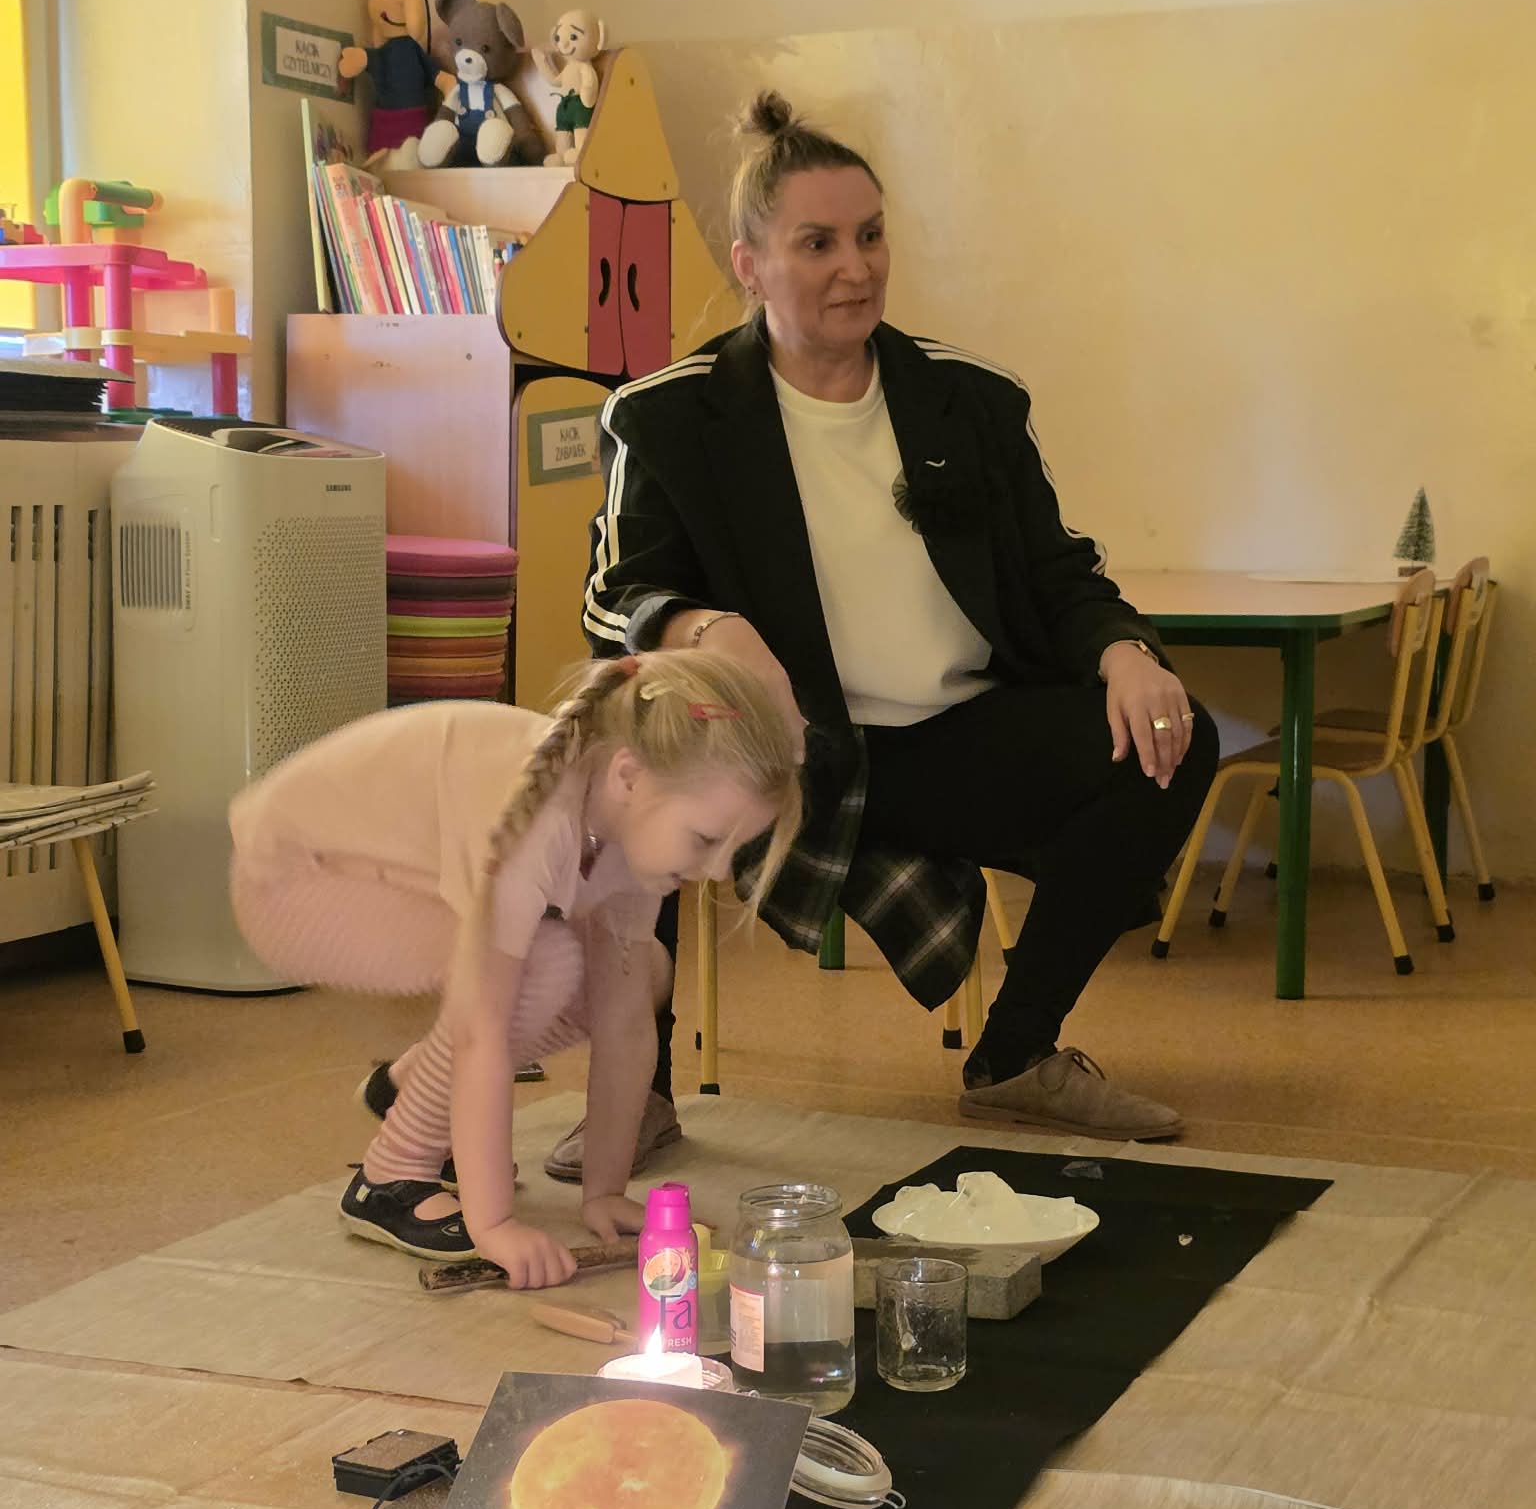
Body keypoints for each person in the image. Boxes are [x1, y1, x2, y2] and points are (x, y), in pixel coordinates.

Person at [577, 92, 1219, 1147]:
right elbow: (618, 596)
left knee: (1169, 742)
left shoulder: (971, 401)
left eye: (870, 236)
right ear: (749, 265)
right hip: (784, 753)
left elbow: (1059, 572)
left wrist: (1125, 652)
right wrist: (703, 628)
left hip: (951, 744)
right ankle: (635, 1093)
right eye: (817, 243)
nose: (856, 267)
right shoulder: (666, 416)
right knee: (629, 765)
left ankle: (1016, 1057)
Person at [227, 653, 802, 1289]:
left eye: (734, 848)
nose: (717, 872)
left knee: (640, 972)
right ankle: (390, 1177)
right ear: (629, 776)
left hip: (372, 874)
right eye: (707, 839)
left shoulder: (626, 822)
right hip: (295, 881)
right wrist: (494, 1223)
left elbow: (624, 1020)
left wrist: (604, 1192)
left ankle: (414, 1089)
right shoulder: (537, 822)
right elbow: (483, 1030)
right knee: (540, 966)